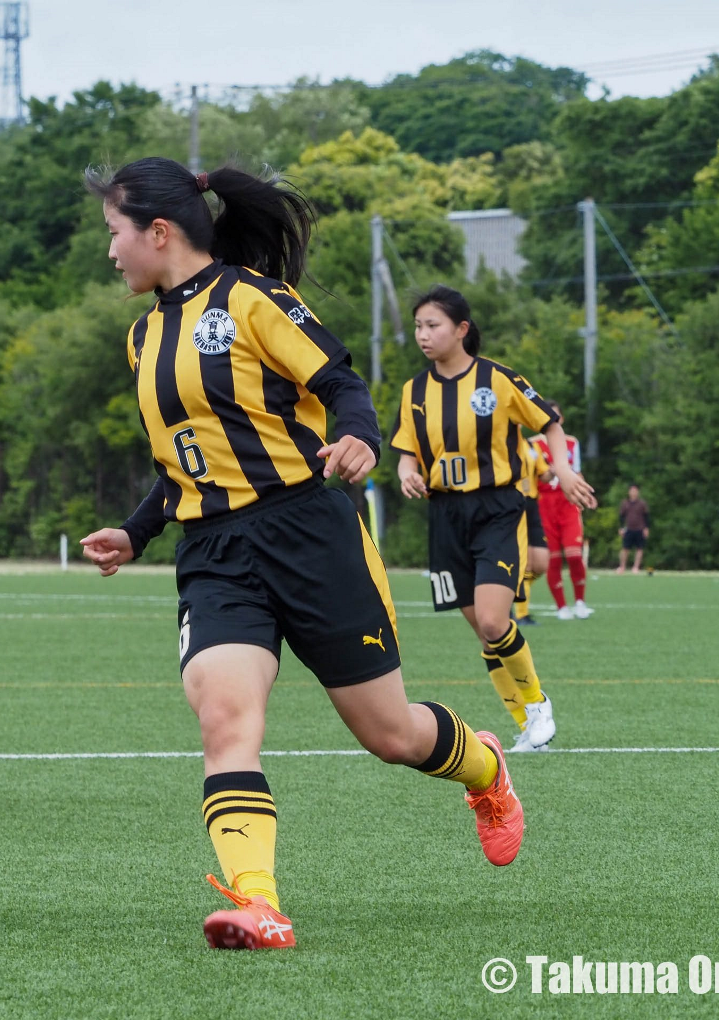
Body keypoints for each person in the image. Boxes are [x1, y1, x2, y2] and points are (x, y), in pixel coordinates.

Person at [79, 158, 527, 952]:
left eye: (113, 233)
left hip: (309, 532)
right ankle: (259, 905)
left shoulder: (253, 299)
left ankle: (486, 771)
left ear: (157, 231)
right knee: (225, 718)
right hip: (215, 551)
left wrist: (356, 437)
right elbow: (180, 457)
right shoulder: (143, 335)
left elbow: (341, 381)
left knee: (390, 736)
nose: (109, 251)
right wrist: (137, 530)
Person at [392, 285, 595, 755]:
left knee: (492, 620)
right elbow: (406, 451)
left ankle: (538, 704)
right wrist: (407, 474)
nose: (423, 335)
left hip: (497, 509)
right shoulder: (414, 391)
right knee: (484, 632)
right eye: (419, 326)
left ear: (461, 329)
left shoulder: (498, 380)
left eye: (433, 325)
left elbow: (550, 423)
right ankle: (525, 724)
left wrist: (562, 469)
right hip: (445, 516)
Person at [531, 403, 592, 619]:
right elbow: (532, 476)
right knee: (553, 558)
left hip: (567, 503)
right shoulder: (532, 445)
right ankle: (561, 607)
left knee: (574, 555)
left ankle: (580, 602)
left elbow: (577, 472)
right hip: (544, 505)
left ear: (562, 419)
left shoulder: (571, 443)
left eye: (556, 416)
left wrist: (585, 493)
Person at [513, 435, 552, 626]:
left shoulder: (532, 446)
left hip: (532, 505)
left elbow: (543, 474)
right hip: (512, 503)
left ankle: (515, 589)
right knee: (525, 564)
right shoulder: (503, 441)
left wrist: (557, 468)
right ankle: (521, 614)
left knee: (541, 565)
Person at [616, 484, 650, 574]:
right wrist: (620, 528)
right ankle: (622, 567)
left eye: (635, 491)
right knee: (625, 548)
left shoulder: (642, 503)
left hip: (640, 528)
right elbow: (621, 517)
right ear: (629, 492)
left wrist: (646, 528)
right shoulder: (625, 503)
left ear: (638, 492)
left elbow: (646, 516)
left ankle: (636, 567)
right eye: (632, 491)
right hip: (628, 528)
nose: (633, 493)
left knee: (639, 548)